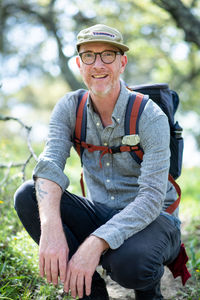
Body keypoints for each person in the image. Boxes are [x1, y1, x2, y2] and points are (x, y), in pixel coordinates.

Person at [14, 24, 182, 300]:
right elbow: (48, 167)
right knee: (27, 196)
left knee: (131, 263)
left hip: (154, 222)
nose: (98, 64)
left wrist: (94, 242)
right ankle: (90, 292)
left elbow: (152, 199)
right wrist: (52, 228)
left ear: (122, 63)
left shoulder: (149, 116)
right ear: (80, 64)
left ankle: (149, 290)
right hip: (102, 212)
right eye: (89, 56)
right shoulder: (69, 107)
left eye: (108, 55)